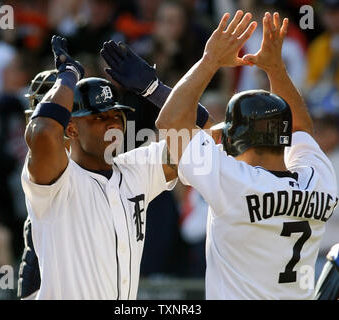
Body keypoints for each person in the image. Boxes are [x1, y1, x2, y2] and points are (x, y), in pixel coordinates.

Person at [155, 10, 338, 300]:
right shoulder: (318, 178)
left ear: (235, 140)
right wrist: (276, 68)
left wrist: (209, 61)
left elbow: (169, 123)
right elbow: (301, 125)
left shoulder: (233, 182)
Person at [19, 33, 213, 299]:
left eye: (117, 114)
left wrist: (153, 90)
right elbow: (42, 132)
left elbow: (205, 135)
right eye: (99, 117)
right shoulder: (57, 181)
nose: (113, 123)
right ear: (72, 128)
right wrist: (69, 75)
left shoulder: (138, 169)